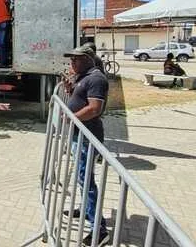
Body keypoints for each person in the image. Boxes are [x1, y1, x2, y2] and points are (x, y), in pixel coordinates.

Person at [62, 45, 110, 247]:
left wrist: (70, 117)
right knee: (83, 179)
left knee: (86, 181)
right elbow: (82, 98)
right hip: (79, 135)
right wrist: (70, 89)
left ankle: (99, 231)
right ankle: (85, 209)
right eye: (71, 59)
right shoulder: (85, 76)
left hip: (87, 136)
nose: (73, 63)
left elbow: (94, 108)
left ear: (90, 59)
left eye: (77, 59)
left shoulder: (96, 78)